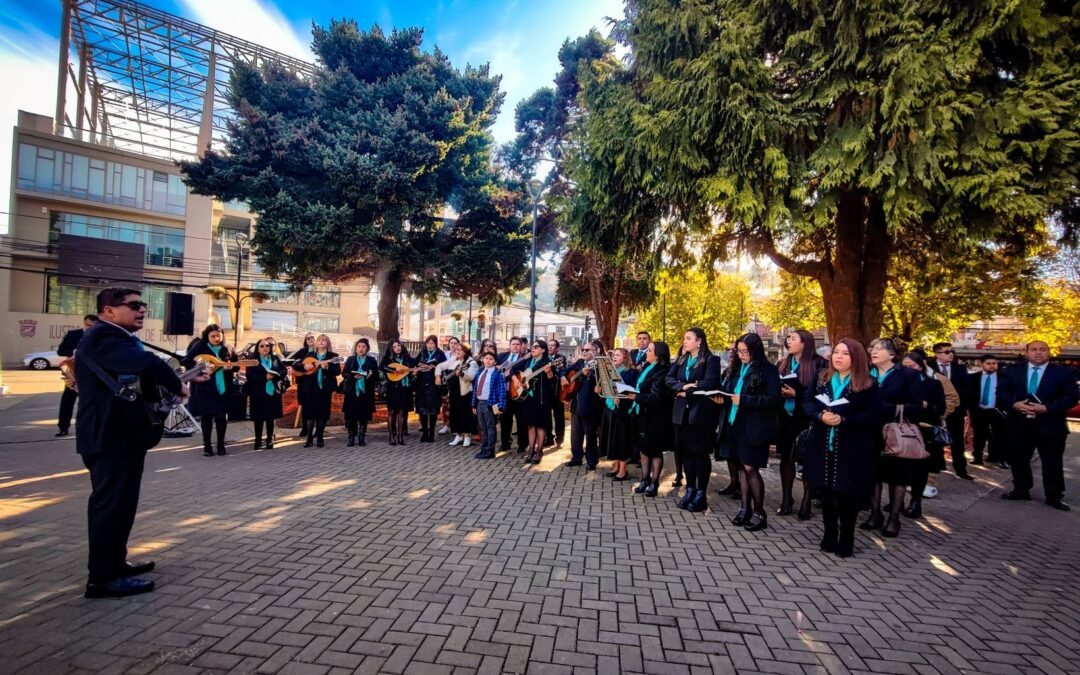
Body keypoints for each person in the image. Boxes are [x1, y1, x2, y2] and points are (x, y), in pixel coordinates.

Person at [75, 287, 195, 597]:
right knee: (111, 507)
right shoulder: (103, 336)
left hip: (121, 436)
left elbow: (138, 378)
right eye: (133, 305)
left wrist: (180, 381)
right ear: (108, 311)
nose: (142, 310)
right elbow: (147, 365)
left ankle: (116, 563)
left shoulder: (115, 337)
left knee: (121, 506)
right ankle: (102, 578)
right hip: (108, 437)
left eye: (143, 304)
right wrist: (177, 387)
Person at [802, 338, 880, 558]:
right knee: (826, 494)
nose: (838, 357)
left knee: (846, 495)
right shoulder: (822, 378)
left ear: (856, 357)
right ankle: (829, 534)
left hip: (851, 447)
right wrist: (820, 415)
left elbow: (874, 416)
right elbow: (807, 402)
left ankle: (847, 537)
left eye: (845, 354)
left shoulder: (868, 384)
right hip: (823, 444)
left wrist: (845, 420)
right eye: (836, 352)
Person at [998, 341, 1079, 510]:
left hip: (1051, 425)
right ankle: (1021, 489)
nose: (1038, 353)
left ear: (1049, 352)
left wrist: (1048, 408)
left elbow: (1071, 397)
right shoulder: (1011, 371)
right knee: (1019, 459)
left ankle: (1054, 495)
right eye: (1034, 350)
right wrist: (1014, 404)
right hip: (1019, 424)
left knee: (1052, 461)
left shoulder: (1063, 373)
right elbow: (1001, 393)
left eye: (1043, 350)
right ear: (1026, 352)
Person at [715, 333, 781, 531]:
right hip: (735, 424)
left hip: (755, 426)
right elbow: (729, 391)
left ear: (755, 350)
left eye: (746, 351)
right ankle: (745, 508)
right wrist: (721, 398)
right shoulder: (736, 369)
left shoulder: (768, 370)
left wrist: (746, 400)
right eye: (739, 351)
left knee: (751, 468)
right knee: (743, 467)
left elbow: (773, 399)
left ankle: (760, 512)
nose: (742, 355)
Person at [863, 338, 923, 537]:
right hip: (870, 430)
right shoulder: (866, 374)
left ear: (892, 354)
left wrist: (888, 409)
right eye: (872, 348)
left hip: (896, 432)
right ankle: (874, 513)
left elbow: (917, 405)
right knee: (873, 474)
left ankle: (894, 518)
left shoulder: (908, 375)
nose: (874, 352)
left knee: (897, 476)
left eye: (879, 349)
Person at [666, 327, 722, 513]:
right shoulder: (682, 359)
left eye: (689, 338)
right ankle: (690, 488)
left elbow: (710, 382)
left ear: (699, 341)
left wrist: (688, 390)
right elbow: (668, 379)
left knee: (700, 453)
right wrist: (684, 385)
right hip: (681, 414)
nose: (685, 341)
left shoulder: (711, 360)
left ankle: (701, 492)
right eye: (685, 338)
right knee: (686, 453)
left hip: (701, 415)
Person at [776, 330, 828, 519]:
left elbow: (822, 394)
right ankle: (786, 498)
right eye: (788, 338)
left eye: (793, 338)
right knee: (786, 459)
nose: (788, 341)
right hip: (786, 417)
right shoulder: (783, 363)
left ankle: (807, 498)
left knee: (806, 460)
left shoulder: (819, 363)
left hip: (807, 419)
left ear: (805, 343)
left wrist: (796, 395)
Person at [899, 351, 948, 519]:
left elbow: (940, 408)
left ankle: (916, 501)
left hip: (922, 431)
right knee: (899, 468)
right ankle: (897, 501)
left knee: (920, 468)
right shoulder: (897, 383)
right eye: (904, 367)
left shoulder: (932, 384)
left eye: (911, 367)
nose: (908, 370)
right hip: (900, 431)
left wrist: (926, 405)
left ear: (920, 367)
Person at [625, 341, 673, 496]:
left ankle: (654, 481)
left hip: (655, 416)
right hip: (641, 414)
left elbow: (657, 396)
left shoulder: (663, 371)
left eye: (650, 350)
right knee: (643, 448)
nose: (647, 352)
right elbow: (640, 386)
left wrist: (637, 397)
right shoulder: (646, 367)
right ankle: (644, 479)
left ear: (658, 354)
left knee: (654, 450)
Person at [186, 324, 238, 457]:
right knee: (207, 417)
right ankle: (207, 446)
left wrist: (230, 367)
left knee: (221, 417)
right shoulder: (200, 347)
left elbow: (236, 365)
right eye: (213, 336)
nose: (216, 338)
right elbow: (186, 361)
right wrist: (200, 367)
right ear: (207, 337)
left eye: (218, 336)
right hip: (205, 387)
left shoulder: (228, 348)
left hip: (223, 387)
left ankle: (221, 445)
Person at [510, 339, 559, 464]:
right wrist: (515, 379)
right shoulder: (527, 361)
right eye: (532, 346)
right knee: (531, 425)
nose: (532, 348)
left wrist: (549, 373)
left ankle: (539, 451)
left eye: (536, 347)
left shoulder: (547, 362)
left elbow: (552, 380)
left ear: (543, 350)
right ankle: (530, 450)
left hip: (542, 398)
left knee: (540, 425)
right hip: (528, 398)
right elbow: (512, 369)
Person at [931, 342, 973, 480]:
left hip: (955, 410)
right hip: (935, 409)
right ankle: (937, 465)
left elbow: (966, 389)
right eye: (946, 352)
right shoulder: (930, 367)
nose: (951, 354)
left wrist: (963, 407)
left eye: (951, 351)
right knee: (934, 437)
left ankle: (961, 469)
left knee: (957, 440)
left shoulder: (960, 369)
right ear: (937, 354)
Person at [598, 348, 640, 481]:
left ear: (625, 358)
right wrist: (599, 389)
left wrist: (621, 396)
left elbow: (632, 390)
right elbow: (606, 387)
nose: (614, 357)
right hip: (610, 407)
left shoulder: (630, 372)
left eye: (618, 355)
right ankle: (615, 465)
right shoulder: (610, 371)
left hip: (623, 410)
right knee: (612, 439)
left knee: (621, 440)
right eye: (614, 355)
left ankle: (623, 470)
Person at [55, 314, 99, 437]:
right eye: (88, 325)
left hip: (91, 373)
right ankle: (63, 427)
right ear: (84, 323)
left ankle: (86, 428)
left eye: (93, 326)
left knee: (88, 403)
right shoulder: (73, 334)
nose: (90, 328)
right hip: (72, 372)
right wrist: (73, 351)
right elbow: (60, 351)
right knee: (67, 400)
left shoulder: (99, 336)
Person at [564, 341, 603, 471]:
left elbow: (602, 382)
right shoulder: (580, 363)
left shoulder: (600, 364)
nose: (584, 352)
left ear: (596, 351)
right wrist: (563, 377)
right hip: (576, 402)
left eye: (588, 350)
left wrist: (590, 376)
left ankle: (592, 460)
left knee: (590, 434)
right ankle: (576, 458)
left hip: (591, 405)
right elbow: (565, 370)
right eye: (583, 349)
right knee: (575, 433)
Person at [245, 337, 289, 450]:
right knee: (258, 418)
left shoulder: (274, 358)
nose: (265, 348)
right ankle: (258, 440)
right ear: (258, 348)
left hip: (273, 392)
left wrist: (276, 374)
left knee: (270, 417)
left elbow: (284, 370)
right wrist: (264, 377)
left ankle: (269, 439)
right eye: (262, 346)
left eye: (267, 346)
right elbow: (250, 375)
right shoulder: (253, 359)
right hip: (258, 392)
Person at [966, 354, 1007, 468]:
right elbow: (968, 394)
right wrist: (970, 409)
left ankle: (998, 458)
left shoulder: (1004, 378)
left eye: (994, 363)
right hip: (979, 410)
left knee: (999, 435)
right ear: (981, 364)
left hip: (997, 410)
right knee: (979, 435)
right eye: (988, 364)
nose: (992, 366)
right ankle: (977, 458)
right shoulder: (973, 378)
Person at [298, 334, 340, 447]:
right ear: (316, 343)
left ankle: (320, 437)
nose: (321, 342)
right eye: (319, 340)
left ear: (328, 343)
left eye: (324, 340)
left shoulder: (333, 356)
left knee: (322, 413)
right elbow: (297, 365)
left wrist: (328, 367)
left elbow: (337, 371)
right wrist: (304, 367)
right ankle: (309, 438)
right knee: (310, 413)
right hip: (310, 388)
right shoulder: (309, 355)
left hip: (324, 389)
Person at [438, 342, 479, 447]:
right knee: (455, 414)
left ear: (465, 351)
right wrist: (438, 375)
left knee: (465, 414)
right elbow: (441, 367)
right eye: (456, 350)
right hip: (454, 391)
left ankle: (467, 436)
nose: (457, 352)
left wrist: (461, 374)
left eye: (460, 350)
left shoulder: (471, 362)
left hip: (465, 392)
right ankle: (458, 434)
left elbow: (471, 377)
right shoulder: (454, 360)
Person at [342, 338, 378, 447]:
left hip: (366, 391)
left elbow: (376, 374)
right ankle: (351, 437)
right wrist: (353, 377)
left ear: (367, 349)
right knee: (351, 416)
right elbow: (344, 373)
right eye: (359, 347)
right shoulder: (351, 359)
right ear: (356, 348)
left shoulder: (371, 360)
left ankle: (362, 437)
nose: (361, 349)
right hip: (352, 391)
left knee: (364, 415)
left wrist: (371, 374)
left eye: (363, 347)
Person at [471, 350, 507, 459]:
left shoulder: (497, 374)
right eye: (486, 358)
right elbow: (475, 389)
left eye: (491, 359)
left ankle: (490, 450)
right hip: (479, 402)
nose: (488, 360)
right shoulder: (480, 372)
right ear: (483, 359)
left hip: (489, 403)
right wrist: (473, 404)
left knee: (490, 427)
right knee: (482, 427)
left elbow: (502, 390)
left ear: (495, 362)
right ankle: (483, 448)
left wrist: (501, 405)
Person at [413, 335, 447, 443]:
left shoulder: (440, 354)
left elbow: (444, 368)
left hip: (434, 384)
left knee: (432, 410)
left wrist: (434, 367)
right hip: (422, 383)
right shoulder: (422, 353)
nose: (429, 345)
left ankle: (431, 432)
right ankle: (424, 432)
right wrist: (419, 366)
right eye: (428, 343)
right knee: (422, 409)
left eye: (432, 343)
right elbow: (415, 365)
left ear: (436, 344)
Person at [381, 340, 414, 446]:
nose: (397, 348)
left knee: (402, 412)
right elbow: (382, 367)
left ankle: (400, 435)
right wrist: (393, 370)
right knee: (391, 412)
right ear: (391, 349)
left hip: (405, 388)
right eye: (394, 346)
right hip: (393, 388)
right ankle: (391, 435)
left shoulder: (407, 358)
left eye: (398, 345)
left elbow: (412, 368)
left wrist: (414, 372)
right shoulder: (388, 358)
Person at [497, 337, 528, 453]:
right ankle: (505, 443)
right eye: (513, 344)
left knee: (521, 420)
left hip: (517, 392)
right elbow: (495, 368)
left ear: (521, 346)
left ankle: (522, 444)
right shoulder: (502, 356)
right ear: (510, 346)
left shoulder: (524, 358)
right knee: (504, 420)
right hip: (504, 393)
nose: (515, 346)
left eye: (517, 344)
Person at [288, 333, 317, 438]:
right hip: (304, 383)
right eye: (308, 338)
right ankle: (305, 428)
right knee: (305, 406)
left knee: (316, 406)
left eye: (312, 337)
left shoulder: (318, 351)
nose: (310, 339)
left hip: (316, 383)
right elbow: (295, 363)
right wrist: (304, 365)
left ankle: (317, 430)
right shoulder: (302, 351)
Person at [437, 336, 461, 435]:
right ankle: (446, 425)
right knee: (445, 404)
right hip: (445, 382)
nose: (453, 345)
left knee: (455, 404)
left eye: (455, 343)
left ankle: (455, 426)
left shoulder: (460, 355)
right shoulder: (444, 354)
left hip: (457, 382)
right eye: (451, 343)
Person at [547, 338, 567, 447]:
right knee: (546, 417)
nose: (550, 347)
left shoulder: (560, 358)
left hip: (557, 392)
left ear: (557, 348)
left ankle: (560, 439)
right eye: (548, 345)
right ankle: (549, 438)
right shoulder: (544, 358)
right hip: (545, 393)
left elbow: (562, 370)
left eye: (552, 345)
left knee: (559, 416)